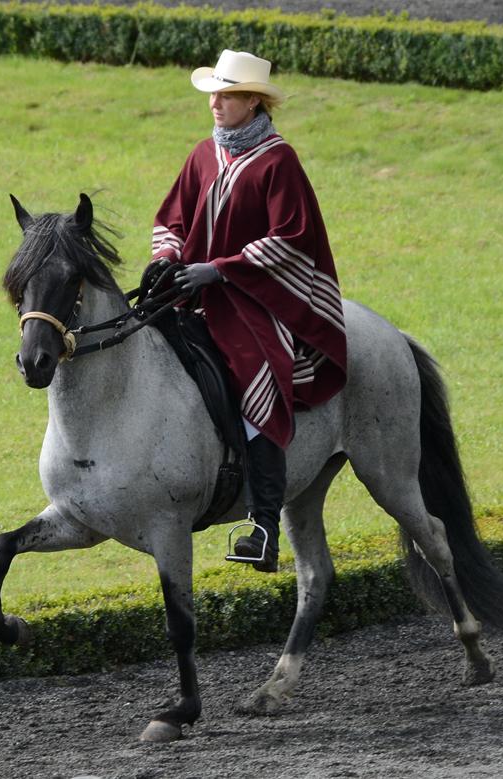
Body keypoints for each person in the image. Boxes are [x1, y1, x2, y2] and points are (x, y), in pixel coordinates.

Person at [150, 50, 347, 572]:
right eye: (214, 93)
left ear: (254, 102)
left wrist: (220, 270)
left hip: (256, 300)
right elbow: (172, 218)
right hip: (192, 292)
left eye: (228, 94)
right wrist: (169, 257)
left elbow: (292, 239)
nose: (215, 103)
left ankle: (263, 526)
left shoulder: (279, 161)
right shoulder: (202, 154)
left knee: (255, 379)